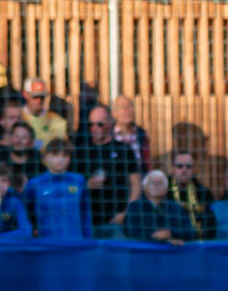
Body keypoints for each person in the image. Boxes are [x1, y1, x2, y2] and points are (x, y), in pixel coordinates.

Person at [74, 106, 141, 234]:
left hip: (117, 221)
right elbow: (71, 186)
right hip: (88, 222)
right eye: (91, 125)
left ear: (109, 124)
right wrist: (86, 184)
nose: (95, 128)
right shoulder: (82, 152)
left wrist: (126, 212)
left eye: (100, 124)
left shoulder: (124, 150)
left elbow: (136, 185)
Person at [24, 139, 91, 240]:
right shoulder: (34, 184)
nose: (60, 159)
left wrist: (88, 240)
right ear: (47, 156)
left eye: (65, 155)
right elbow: (27, 214)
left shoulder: (79, 181)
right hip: (47, 243)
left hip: (76, 242)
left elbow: (86, 214)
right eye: (55, 155)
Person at [123, 171, 196, 243]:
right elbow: (131, 233)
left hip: (171, 250)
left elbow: (191, 232)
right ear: (144, 187)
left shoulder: (176, 208)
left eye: (160, 183)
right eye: (152, 183)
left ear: (167, 188)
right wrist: (162, 240)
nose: (156, 186)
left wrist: (171, 233)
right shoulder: (135, 207)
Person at [167, 150, 216, 241]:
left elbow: (210, 222)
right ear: (172, 169)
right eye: (180, 166)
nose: (184, 170)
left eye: (188, 166)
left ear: (194, 169)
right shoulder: (164, 192)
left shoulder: (204, 193)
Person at [0, 163, 33, 238]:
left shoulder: (15, 202)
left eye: (3, 180)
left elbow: (26, 232)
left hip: (8, 244)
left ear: (8, 183)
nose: (0, 185)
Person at [21, 79, 70, 145]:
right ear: (25, 94)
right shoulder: (16, 117)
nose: (39, 100)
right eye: (35, 96)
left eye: (42, 97)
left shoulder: (57, 121)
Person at [111, 96, 152, 171]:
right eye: (122, 107)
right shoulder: (108, 134)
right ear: (113, 113)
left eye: (129, 106)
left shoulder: (141, 134)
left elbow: (147, 162)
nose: (126, 110)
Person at [3, 122, 40, 190]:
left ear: (31, 142)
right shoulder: (0, 162)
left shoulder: (37, 167)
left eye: (24, 137)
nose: (18, 141)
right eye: (15, 136)